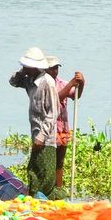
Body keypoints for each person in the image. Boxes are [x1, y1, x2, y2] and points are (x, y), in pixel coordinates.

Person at [9, 47, 59, 198]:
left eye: (27, 66)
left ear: (34, 67)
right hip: (35, 133)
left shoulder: (47, 82)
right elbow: (13, 82)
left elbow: (53, 112)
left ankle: (46, 202)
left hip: (46, 137)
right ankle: (34, 198)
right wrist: (21, 72)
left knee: (45, 174)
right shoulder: (30, 80)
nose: (24, 68)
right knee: (34, 170)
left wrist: (42, 136)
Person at [44, 55, 86, 190]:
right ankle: (47, 189)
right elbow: (55, 98)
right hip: (49, 128)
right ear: (45, 69)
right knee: (47, 161)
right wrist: (71, 84)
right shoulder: (43, 84)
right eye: (52, 68)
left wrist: (82, 83)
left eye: (56, 68)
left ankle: (58, 189)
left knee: (59, 162)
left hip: (62, 127)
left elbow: (76, 95)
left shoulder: (61, 82)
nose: (55, 71)